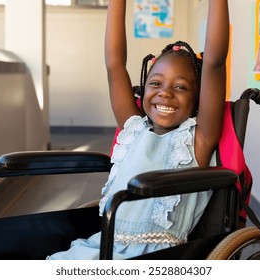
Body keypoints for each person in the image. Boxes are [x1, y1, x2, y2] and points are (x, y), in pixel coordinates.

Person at [48, 0, 229, 260]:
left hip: (156, 258)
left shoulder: (197, 141)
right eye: (155, 83)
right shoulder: (133, 129)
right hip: (103, 246)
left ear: (198, 100)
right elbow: (114, 65)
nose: (165, 92)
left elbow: (215, 62)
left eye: (180, 87)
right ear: (143, 88)